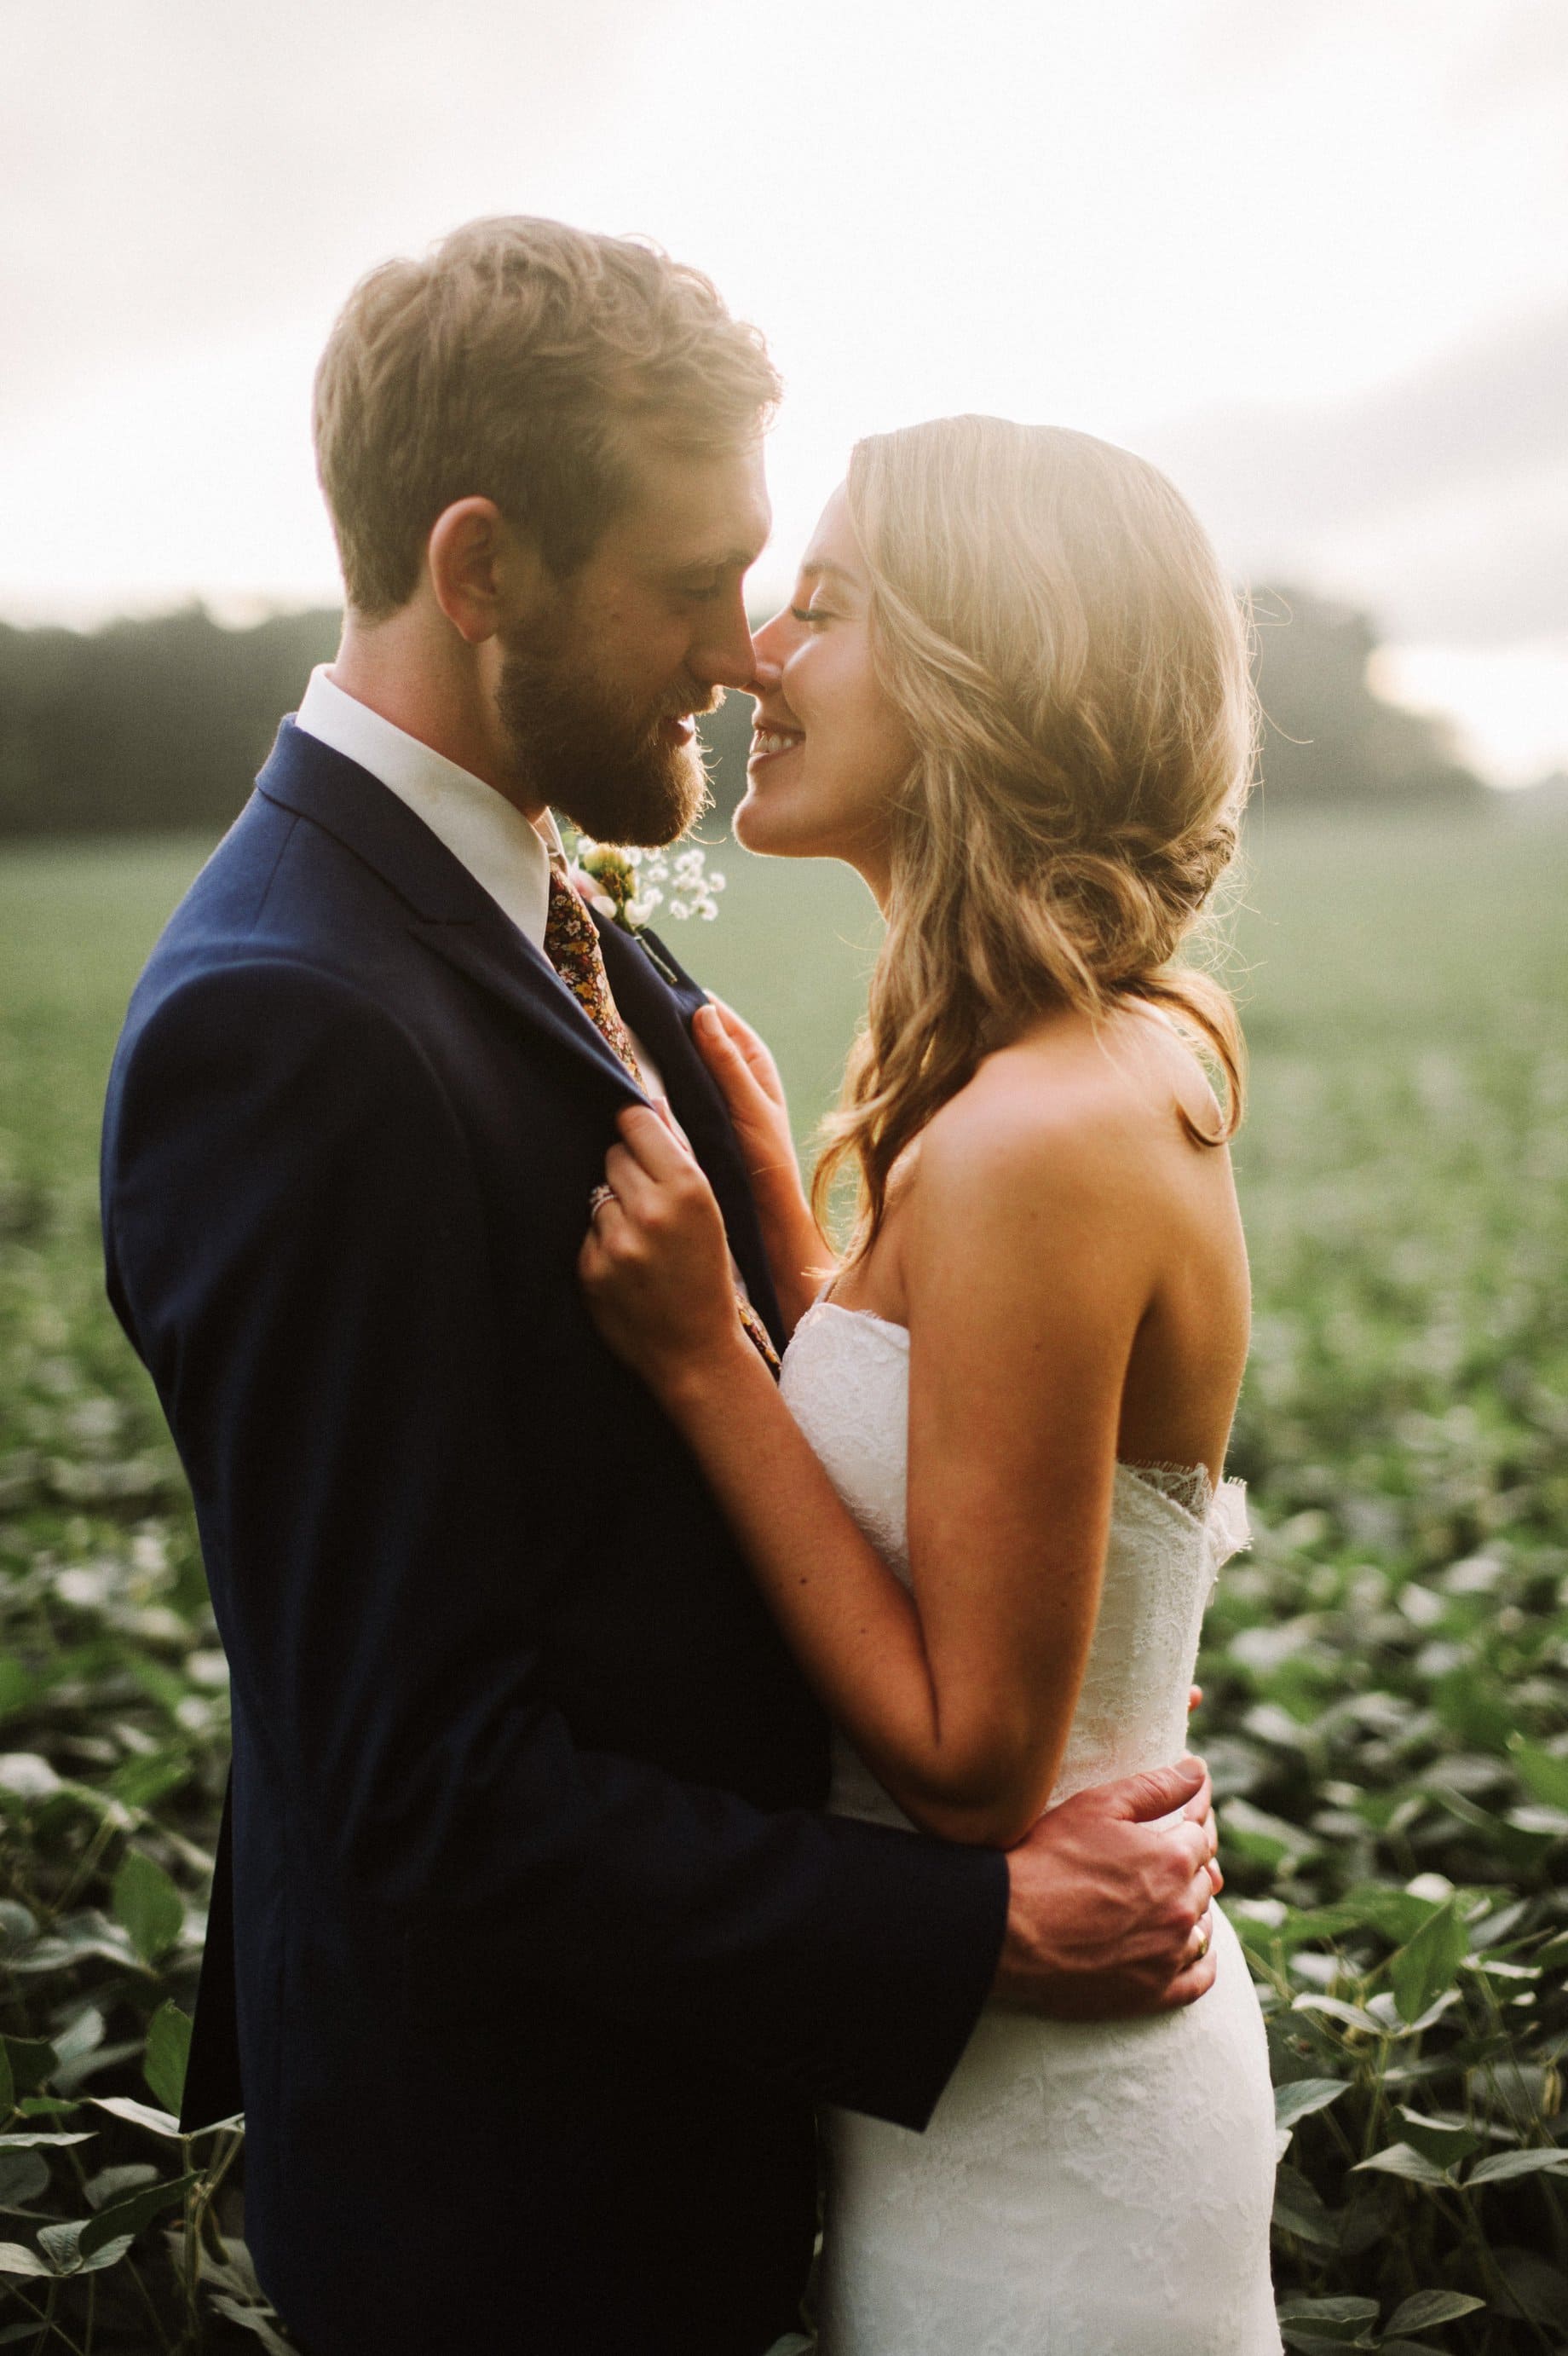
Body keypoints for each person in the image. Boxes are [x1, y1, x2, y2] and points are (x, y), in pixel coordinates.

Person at [101, 223, 1223, 2356]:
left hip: (713, 2131)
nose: (740, 644)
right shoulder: (288, 1026)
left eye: (784, 584)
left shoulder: (552, 904)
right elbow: (418, 1776)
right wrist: (967, 1922)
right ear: (482, 568)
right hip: (512, 2213)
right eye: (698, 579)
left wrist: (778, 1310)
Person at [580, 416, 1280, 2352]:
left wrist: (711, 1350)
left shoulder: (1034, 1137)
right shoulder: (1059, 1077)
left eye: (822, 608)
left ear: (992, 658)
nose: (752, 658)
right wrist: (811, 1278)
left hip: (1052, 2151)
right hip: (973, 2089)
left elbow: (974, 1759)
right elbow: (967, 1463)